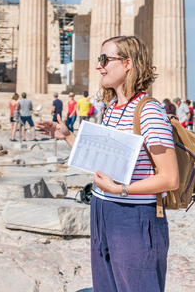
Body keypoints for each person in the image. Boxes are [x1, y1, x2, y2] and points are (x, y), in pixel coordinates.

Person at [39, 35, 178, 291]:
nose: (98, 66)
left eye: (104, 59)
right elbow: (103, 159)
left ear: (127, 63)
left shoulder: (149, 111)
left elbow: (170, 178)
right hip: (102, 209)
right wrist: (67, 135)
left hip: (134, 217)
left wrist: (120, 190)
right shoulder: (113, 107)